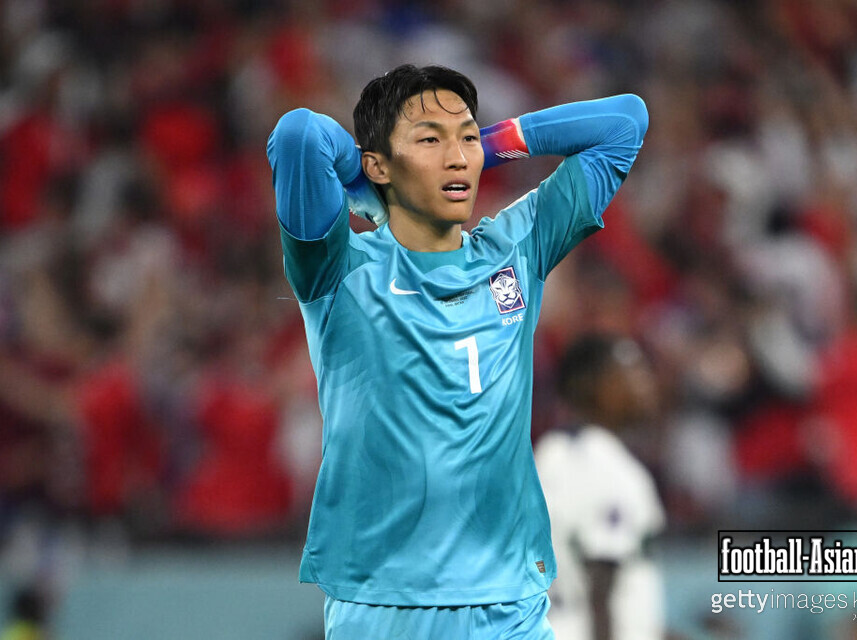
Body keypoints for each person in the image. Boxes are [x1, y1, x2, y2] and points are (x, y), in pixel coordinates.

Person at [267, 64, 648, 639]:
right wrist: (371, 193)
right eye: (429, 140)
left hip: (510, 605)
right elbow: (298, 134)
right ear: (378, 162)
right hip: (384, 606)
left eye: (466, 136)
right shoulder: (341, 270)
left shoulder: (517, 248)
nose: (456, 157)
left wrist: (487, 148)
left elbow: (625, 122)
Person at [535, 335, 666, 640]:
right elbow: (601, 585)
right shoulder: (607, 464)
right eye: (631, 371)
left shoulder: (551, 451)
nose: (645, 383)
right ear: (589, 385)